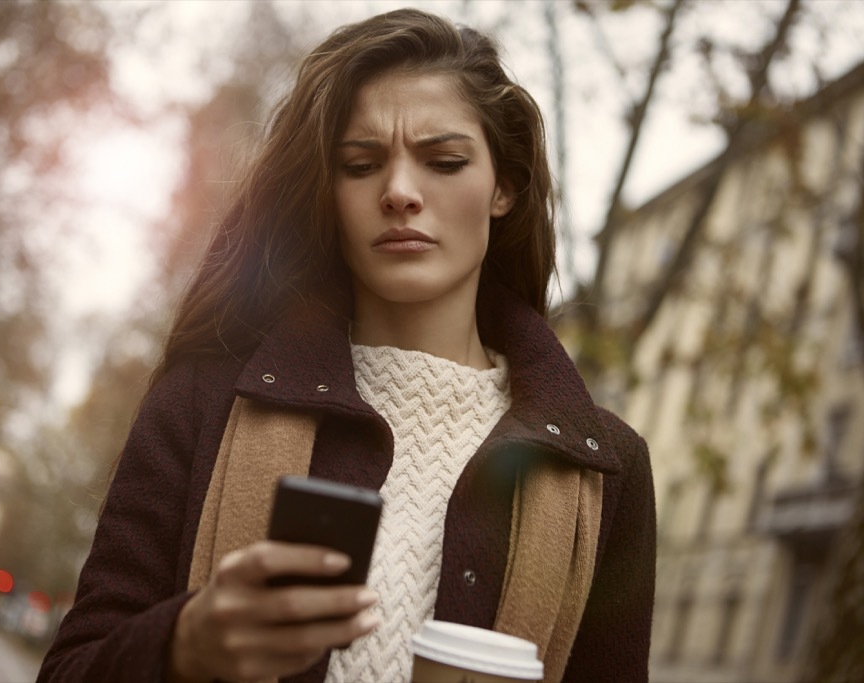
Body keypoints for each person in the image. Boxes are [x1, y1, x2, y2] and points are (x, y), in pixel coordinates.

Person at [38, 8, 655, 683]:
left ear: (504, 186)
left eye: (444, 160)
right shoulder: (202, 401)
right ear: (328, 193)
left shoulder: (607, 472)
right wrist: (184, 642)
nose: (398, 192)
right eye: (360, 165)